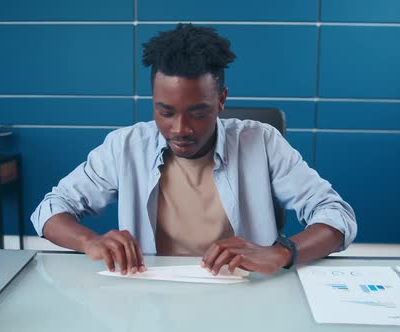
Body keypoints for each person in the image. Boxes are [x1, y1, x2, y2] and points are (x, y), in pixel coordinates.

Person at [31, 23, 356, 276]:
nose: (180, 129)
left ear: (222, 100)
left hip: (244, 292)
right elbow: (51, 209)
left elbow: (337, 215)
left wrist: (282, 252)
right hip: (151, 293)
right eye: (165, 112)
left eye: (198, 113)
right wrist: (90, 241)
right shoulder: (125, 146)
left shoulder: (261, 141)